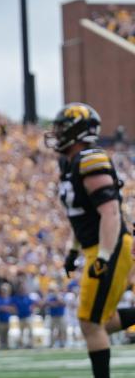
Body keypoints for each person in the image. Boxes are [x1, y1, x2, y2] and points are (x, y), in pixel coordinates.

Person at [47, 103, 135, 378]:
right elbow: (82, 217)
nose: (57, 133)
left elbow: (110, 213)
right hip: (97, 245)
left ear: (77, 131)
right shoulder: (70, 163)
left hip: (110, 246)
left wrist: (104, 257)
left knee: (89, 323)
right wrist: (73, 251)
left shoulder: (90, 159)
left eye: (62, 128)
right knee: (100, 323)